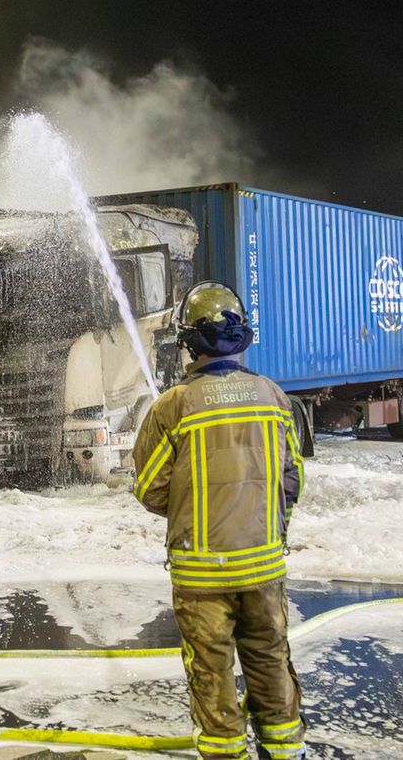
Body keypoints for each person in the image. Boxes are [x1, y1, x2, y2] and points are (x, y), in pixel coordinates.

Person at [132, 281, 306, 760]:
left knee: (211, 673)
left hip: (202, 574)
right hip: (265, 568)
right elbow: (292, 479)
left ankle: (226, 753)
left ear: (189, 341)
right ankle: (286, 750)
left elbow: (150, 488)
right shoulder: (272, 395)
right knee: (271, 660)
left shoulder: (173, 406)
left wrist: (194, 507)